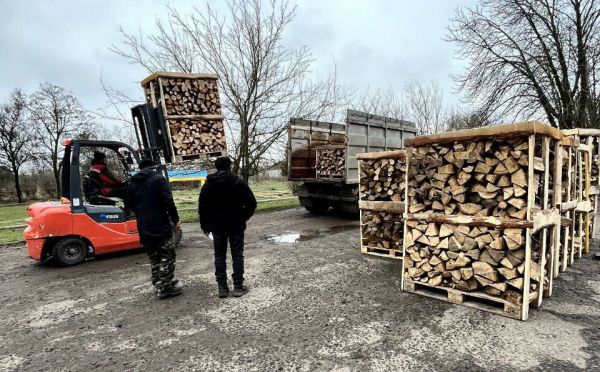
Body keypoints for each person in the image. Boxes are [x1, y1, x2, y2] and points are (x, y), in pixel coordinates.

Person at [198, 156, 257, 298]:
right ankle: (238, 287)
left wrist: (205, 226)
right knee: (237, 254)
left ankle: (222, 288)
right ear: (230, 166)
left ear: (216, 167)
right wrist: (244, 216)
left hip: (217, 226)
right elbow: (252, 203)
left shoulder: (208, 184)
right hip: (236, 224)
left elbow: (202, 207)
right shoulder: (238, 182)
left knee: (219, 255)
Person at [127, 157, 183, 299]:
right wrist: (175, 219)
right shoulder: (158, 179)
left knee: (154, 257)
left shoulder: (132, 183)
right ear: (153, 167)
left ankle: (159, 282)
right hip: (159, 224)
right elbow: (168, 201)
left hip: (143, 225)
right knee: (167, 255)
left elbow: (129, 205)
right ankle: (164, 287)